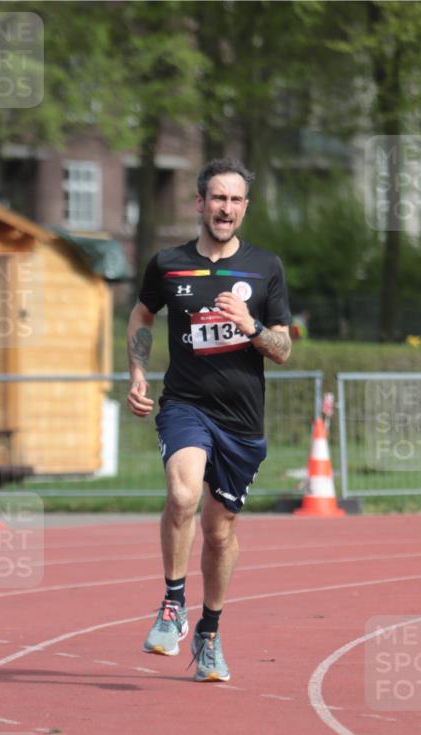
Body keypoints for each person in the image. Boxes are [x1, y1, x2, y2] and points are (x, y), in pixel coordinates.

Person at [126, 158, 292, 682]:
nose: (226, 208)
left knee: (220, 532)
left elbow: (283, 349)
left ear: (245, 208)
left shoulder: (265, 267)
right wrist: (137, 372)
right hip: (185, 405)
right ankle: (173, 604)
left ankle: (210, 632)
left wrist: (251, 325)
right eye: (218, 198)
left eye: (235, 200)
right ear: (200, 203)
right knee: (182, 496)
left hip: (241, 420)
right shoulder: (168, 264)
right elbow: (142, 314)